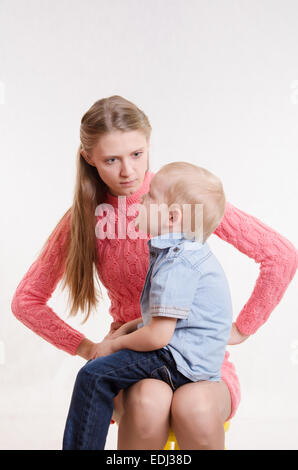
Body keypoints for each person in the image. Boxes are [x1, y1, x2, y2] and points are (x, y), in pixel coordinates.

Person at [11, 95, 298, 450]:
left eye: (137, 154)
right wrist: (88, 348)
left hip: (196, 355)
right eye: (111, 160)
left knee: (195, 407)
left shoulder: (176, 200)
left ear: (149, 145)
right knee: (149, 402)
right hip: (133, 353)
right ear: (89, 159)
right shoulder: (86, 219)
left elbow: (279, 255)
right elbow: (26, 301)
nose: (128, 172)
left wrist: (241, 328)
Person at [62, 162, 234, 449]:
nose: (141, 198)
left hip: (179, 364)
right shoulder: (183, 251)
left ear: (172, 217)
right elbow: (159, 320)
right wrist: (125, 331)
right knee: (101, 374)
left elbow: (158, 337)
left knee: (93, 375)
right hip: (186, 358)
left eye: (151, 196)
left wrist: (113, 346)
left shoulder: (178, 262)